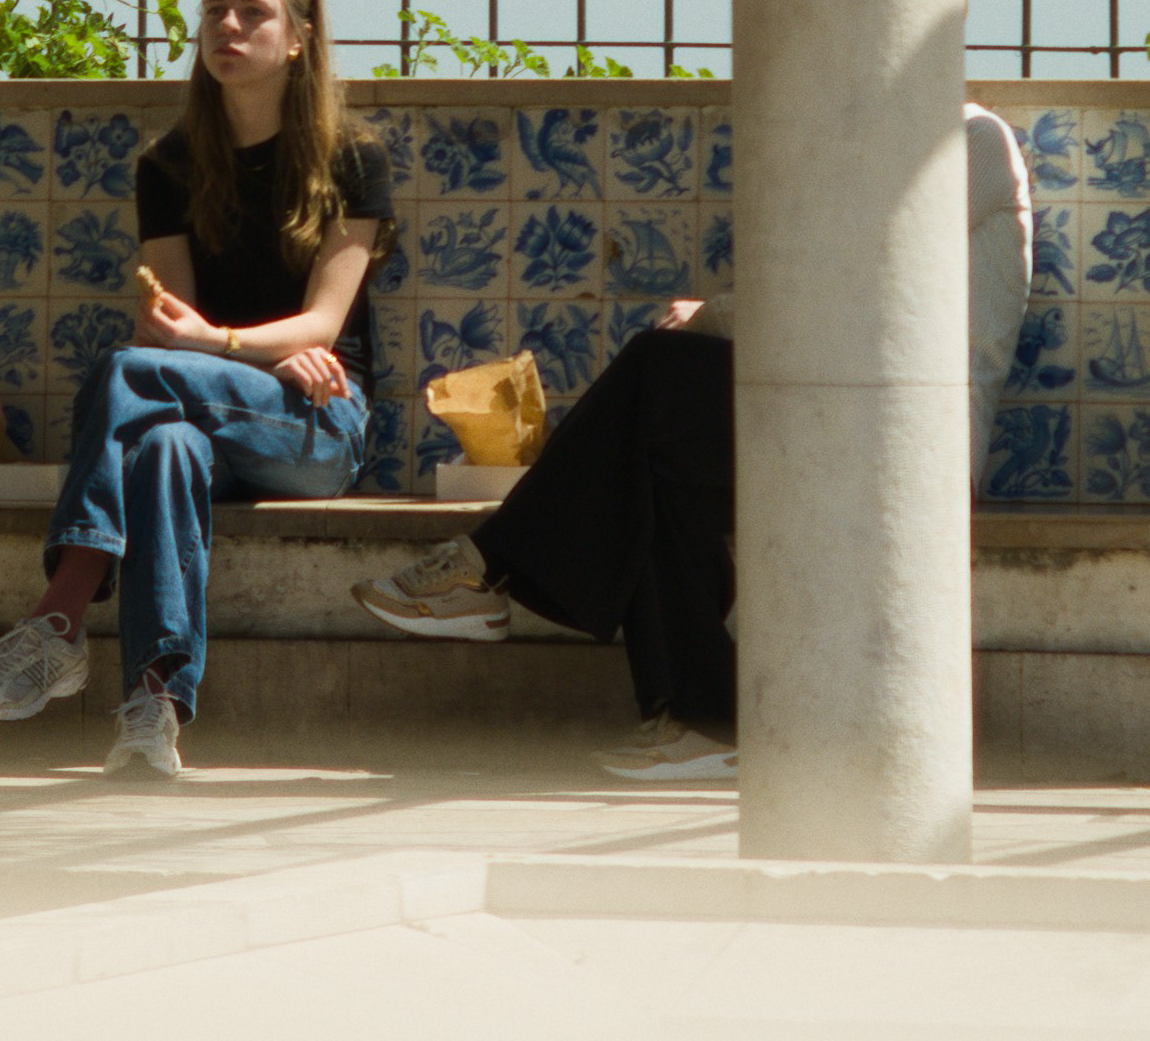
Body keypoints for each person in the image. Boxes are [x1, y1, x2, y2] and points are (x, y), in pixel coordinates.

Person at [351, 103, 1032, 782]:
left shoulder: (968, 137)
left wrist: (712, 313)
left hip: (912, 446)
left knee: (655, 376)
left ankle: (487, 566)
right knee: (653, 463)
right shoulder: (863, 161)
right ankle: (703, 722)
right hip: (835, 424)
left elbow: (841, 287)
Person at [0, 0, 393, 778]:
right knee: (161, 447)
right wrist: (238, 352)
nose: (227, 26)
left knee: (127, 372)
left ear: (297, 39)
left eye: (252, 14)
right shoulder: (169, 166)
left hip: (316, 420)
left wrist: (224, 346)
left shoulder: (351, 159)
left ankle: (60, 614)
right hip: (205, 405)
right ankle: (151, 711)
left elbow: (321, 326)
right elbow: (170, 321)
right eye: (214, 10)